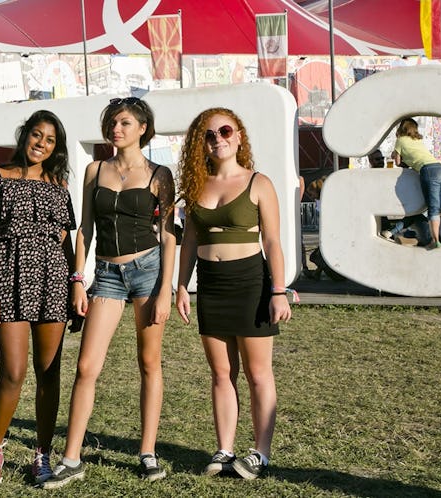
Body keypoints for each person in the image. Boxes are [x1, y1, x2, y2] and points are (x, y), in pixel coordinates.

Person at [43, 97, 176, 489]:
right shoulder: (95, 170)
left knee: (149, 362)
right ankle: (71, 458)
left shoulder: (159, 175)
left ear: (142, 129)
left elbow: (168, 236)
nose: (116, 129)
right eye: (112, 123)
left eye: (124, 123)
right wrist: (77, 280)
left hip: (148, 273)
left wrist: (165, 290)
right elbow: (84, 229)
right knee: (86, 367)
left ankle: (147, 452)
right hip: (106, 274)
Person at [175, 108, 292, 480]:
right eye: (209, 135)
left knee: (258, 374)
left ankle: (260, 453)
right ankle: (224, 450)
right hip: (211, 284)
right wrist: (181, 285)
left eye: (225, 130)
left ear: (239, 136)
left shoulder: (259, 182)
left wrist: (278, 290)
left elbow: (272, 240)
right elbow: (190, 241)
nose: (218, 138)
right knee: (221, 373)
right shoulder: (196, 185)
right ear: (201, 144)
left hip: (251, 283)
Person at [0, 110, 75, 487]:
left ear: (55, 148)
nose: (41, 144)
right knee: (13, 373)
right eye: (36, 135)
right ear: (24, 136)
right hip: (9, 280)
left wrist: (74, 288)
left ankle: (42, 456)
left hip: (52, 284)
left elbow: (65, 244)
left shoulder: (58, 184)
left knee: (49, 375)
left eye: (49, 140)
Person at [390, 118, 441, 248]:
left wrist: (396, 155)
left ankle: (435, 242)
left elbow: (397, 161)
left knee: (433, 208)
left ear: (402, 128)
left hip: (429, 170)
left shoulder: (400, 140)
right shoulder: (417, 139)